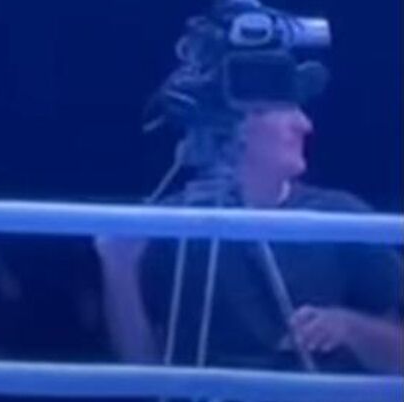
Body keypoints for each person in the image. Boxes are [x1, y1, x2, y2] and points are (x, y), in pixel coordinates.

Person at [96, 100, 404, 374]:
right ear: (235, 126)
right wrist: (119, 269)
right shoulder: (176, 223)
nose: (304, 125)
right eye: (281, 109)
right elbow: (144, 372)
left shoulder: (338, 216)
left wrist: (348, 327)